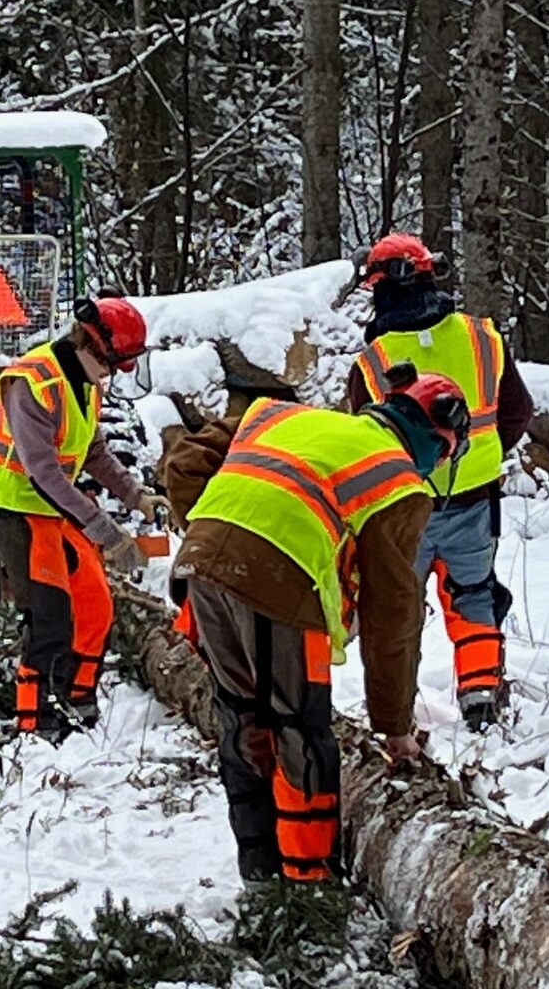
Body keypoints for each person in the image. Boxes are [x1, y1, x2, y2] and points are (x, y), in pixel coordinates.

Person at [164, 370, 469, 884]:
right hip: (280, 584)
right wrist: (394, 727)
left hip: (199, 571)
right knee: (298, 731)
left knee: (241, 718)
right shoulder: (398, 482)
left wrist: (216, 540)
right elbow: (392, 615)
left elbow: (185, 463)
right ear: (437, 439)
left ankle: (260, 873)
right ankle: (310, 885)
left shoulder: (278, 414)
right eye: (443, 454)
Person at [346, 233, 534, 732]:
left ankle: (396, 710)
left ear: (380, 287)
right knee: (473, 593)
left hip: (403, 507)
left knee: (396, 607)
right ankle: (481, 695)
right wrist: (478, 457)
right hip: (475, 501)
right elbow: (518, 412)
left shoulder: (374, 361)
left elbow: (361, 442)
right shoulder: (482, 338)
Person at [0, 292, 161, 744]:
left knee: (96, 602)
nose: (113, 376)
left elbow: (94, 452)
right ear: (91, 346)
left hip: (56, 508)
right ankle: (32, 716)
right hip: (20, 507)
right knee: (49, 614)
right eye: (113, 366)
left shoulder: (82, 381)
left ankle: (76, 693)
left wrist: (137, 497)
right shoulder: (33, 383)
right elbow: (43, 474)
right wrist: (105, 530)